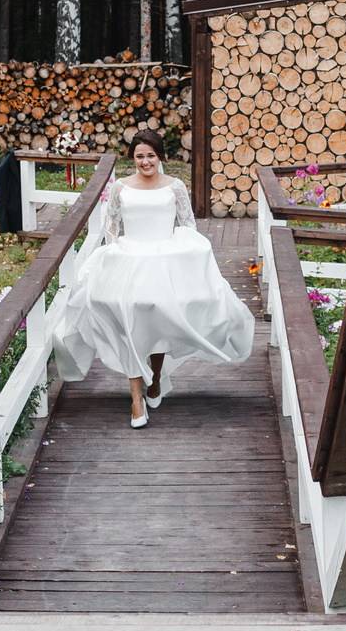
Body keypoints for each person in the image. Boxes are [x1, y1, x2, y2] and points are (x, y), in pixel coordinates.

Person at [49, 128, 254, 428]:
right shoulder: (121, 187)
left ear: (160, 157)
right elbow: (112, 222)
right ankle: (136, 399)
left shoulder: (175, 187)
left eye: (150, 156)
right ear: (132, 158)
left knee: (159, 319)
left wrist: (188, 258)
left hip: (163, 260)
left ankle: (156, 377)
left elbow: (187, 224)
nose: (145, 162)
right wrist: (112, 250)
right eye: (139, 156)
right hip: (129, 260)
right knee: (127, 320)